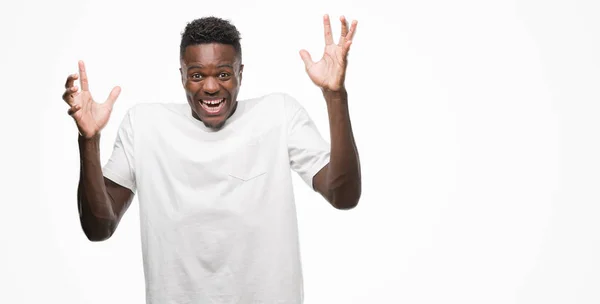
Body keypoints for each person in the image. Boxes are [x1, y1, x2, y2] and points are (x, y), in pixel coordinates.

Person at [62, 14, 361, 303]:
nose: (210, 87)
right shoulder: (144, 125)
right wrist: (89, 140)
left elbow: (343, 195)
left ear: (240, 73)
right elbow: (98, 228)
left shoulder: (278, 114)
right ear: (181, 76)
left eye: (223, 73)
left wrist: (335, 95)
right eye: (196, 75)